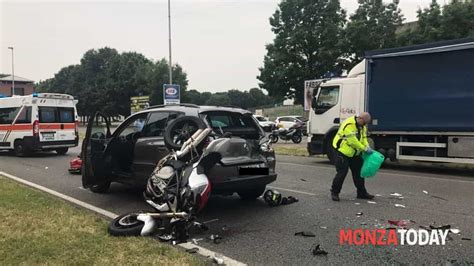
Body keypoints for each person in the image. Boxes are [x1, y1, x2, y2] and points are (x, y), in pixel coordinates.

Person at [330, 112, 375, 201]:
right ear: (361, 119)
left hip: (354, 153)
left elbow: (364, 138)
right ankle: (335, 192)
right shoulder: (349, 124)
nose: (365, 125)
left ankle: (361, 193)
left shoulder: (362, 126)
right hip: (342, 151)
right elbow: (352, 141)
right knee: (342, 172)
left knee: (359, 172)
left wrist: (367, 147)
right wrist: (364, 149)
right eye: (365, 122)